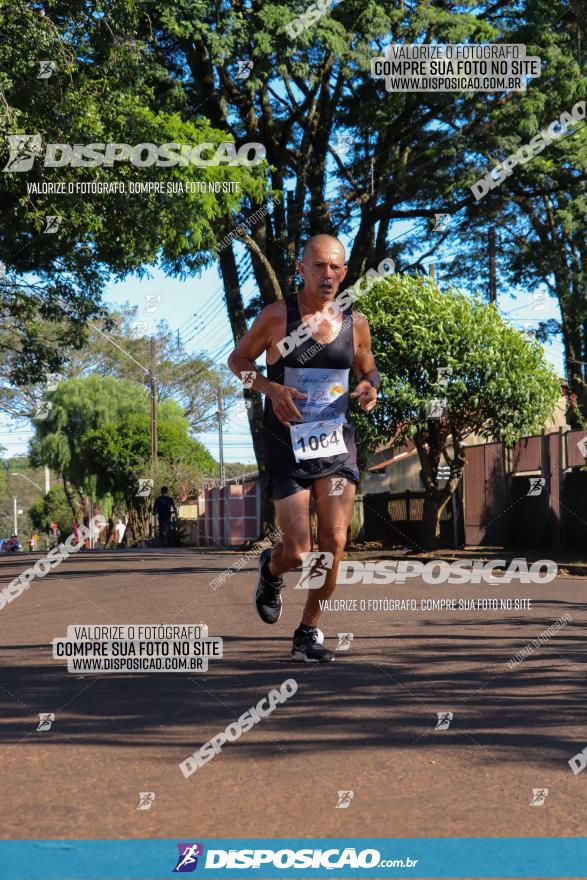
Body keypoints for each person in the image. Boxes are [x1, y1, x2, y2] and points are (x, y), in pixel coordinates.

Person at [227, 234, 380, 663]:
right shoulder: (278, 317)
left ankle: (308, 630)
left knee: (334, 541)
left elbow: (368, 368)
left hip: (335, 443)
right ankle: (270, 570)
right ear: (301, 268)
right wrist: (269, 387)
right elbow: (237, 362)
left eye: (335, 267)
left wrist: (370, 387)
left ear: (344, 273)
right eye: (318, 265)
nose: (327, 274)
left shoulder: (355, 322)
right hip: (287, 444)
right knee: (296, 551)